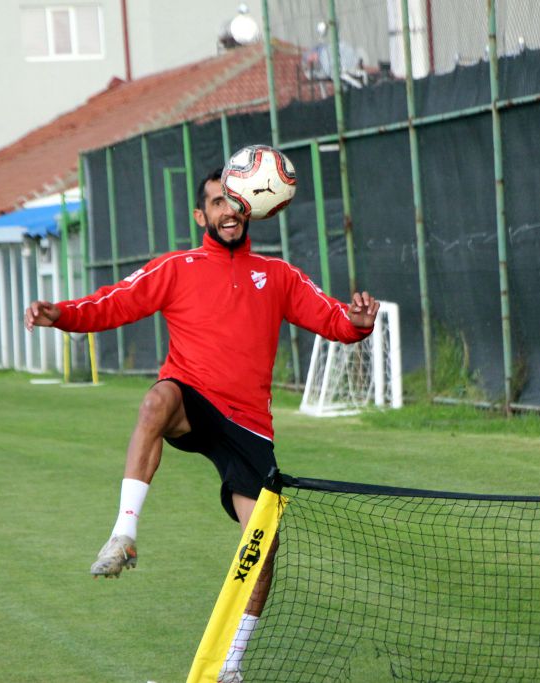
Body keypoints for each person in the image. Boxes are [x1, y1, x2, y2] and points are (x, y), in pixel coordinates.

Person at [25, 167, 378, 682]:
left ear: (250, 206)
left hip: (249, 426)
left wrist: (358, 323)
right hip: (190, 399)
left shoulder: (278, 275)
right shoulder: (177, 268)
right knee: (156, 400)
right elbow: (113, 303)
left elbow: (333, 318)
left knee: (263, 541)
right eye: (216, 202)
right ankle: (124, 534)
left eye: (234, 201)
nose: (227, 211)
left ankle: (230, 666)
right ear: (201, 215)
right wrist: (61, 313)